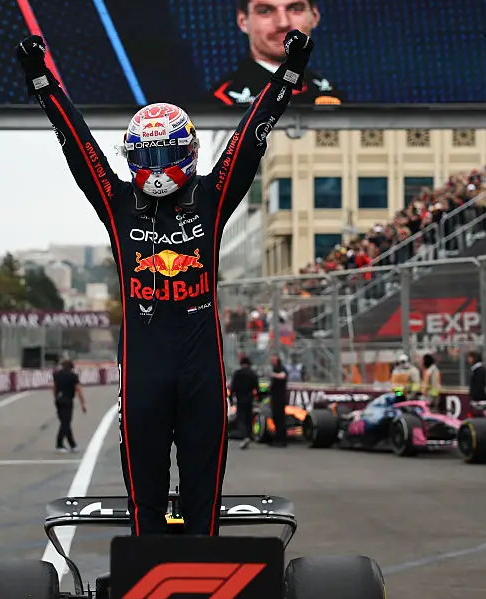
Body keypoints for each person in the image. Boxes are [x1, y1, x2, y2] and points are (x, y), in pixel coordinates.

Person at [16, 27, 312, 536]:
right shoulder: (116, 203)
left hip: (202, 373)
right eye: (144, 158)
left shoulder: (212, 196)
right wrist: (44, 83)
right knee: (145, 510)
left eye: (163, 156)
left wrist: (288, 74)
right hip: (143, 374)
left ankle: (206, 589)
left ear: (187, 153)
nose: (154, 169)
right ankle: (146, 589)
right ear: (131, 158)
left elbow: (251, 133)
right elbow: (78, 144)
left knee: (203, 508)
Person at [212, 0, 343, 106]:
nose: (283, 23)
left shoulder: (330, 94)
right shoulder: (222, 104)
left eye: (295, 8)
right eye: (265, 11)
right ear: (242, 21)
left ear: (315, 16)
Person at [52, 358, 87, 453]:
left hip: (59, 400)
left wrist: (55, 398)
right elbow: (78, 389)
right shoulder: (73, 376)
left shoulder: (57, 375)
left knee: (65, 422)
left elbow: (54, 387)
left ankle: (72, 444)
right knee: (66, 423)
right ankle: (59, 444)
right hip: (67, 400)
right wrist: (82, 404)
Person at [230, 355, 260, 449]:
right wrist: (258, 398)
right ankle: (249, 434)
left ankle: (244, 436)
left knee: (241, 418)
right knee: (248, 417)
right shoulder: (252, 373)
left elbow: (233, 387)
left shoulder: (237, 373)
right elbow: (256, 387)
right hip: (249, 397)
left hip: (240, 398)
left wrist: (231, 399)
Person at [268, 353, 289, 447]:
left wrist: (273, 375)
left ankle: (282, 440)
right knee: (275, 418)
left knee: (280, 419)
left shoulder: (281, 368)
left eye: (273, 359)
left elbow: (283, 376)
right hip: (275, 398)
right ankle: (277, 438)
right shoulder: (275, 369)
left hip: (280, 399)